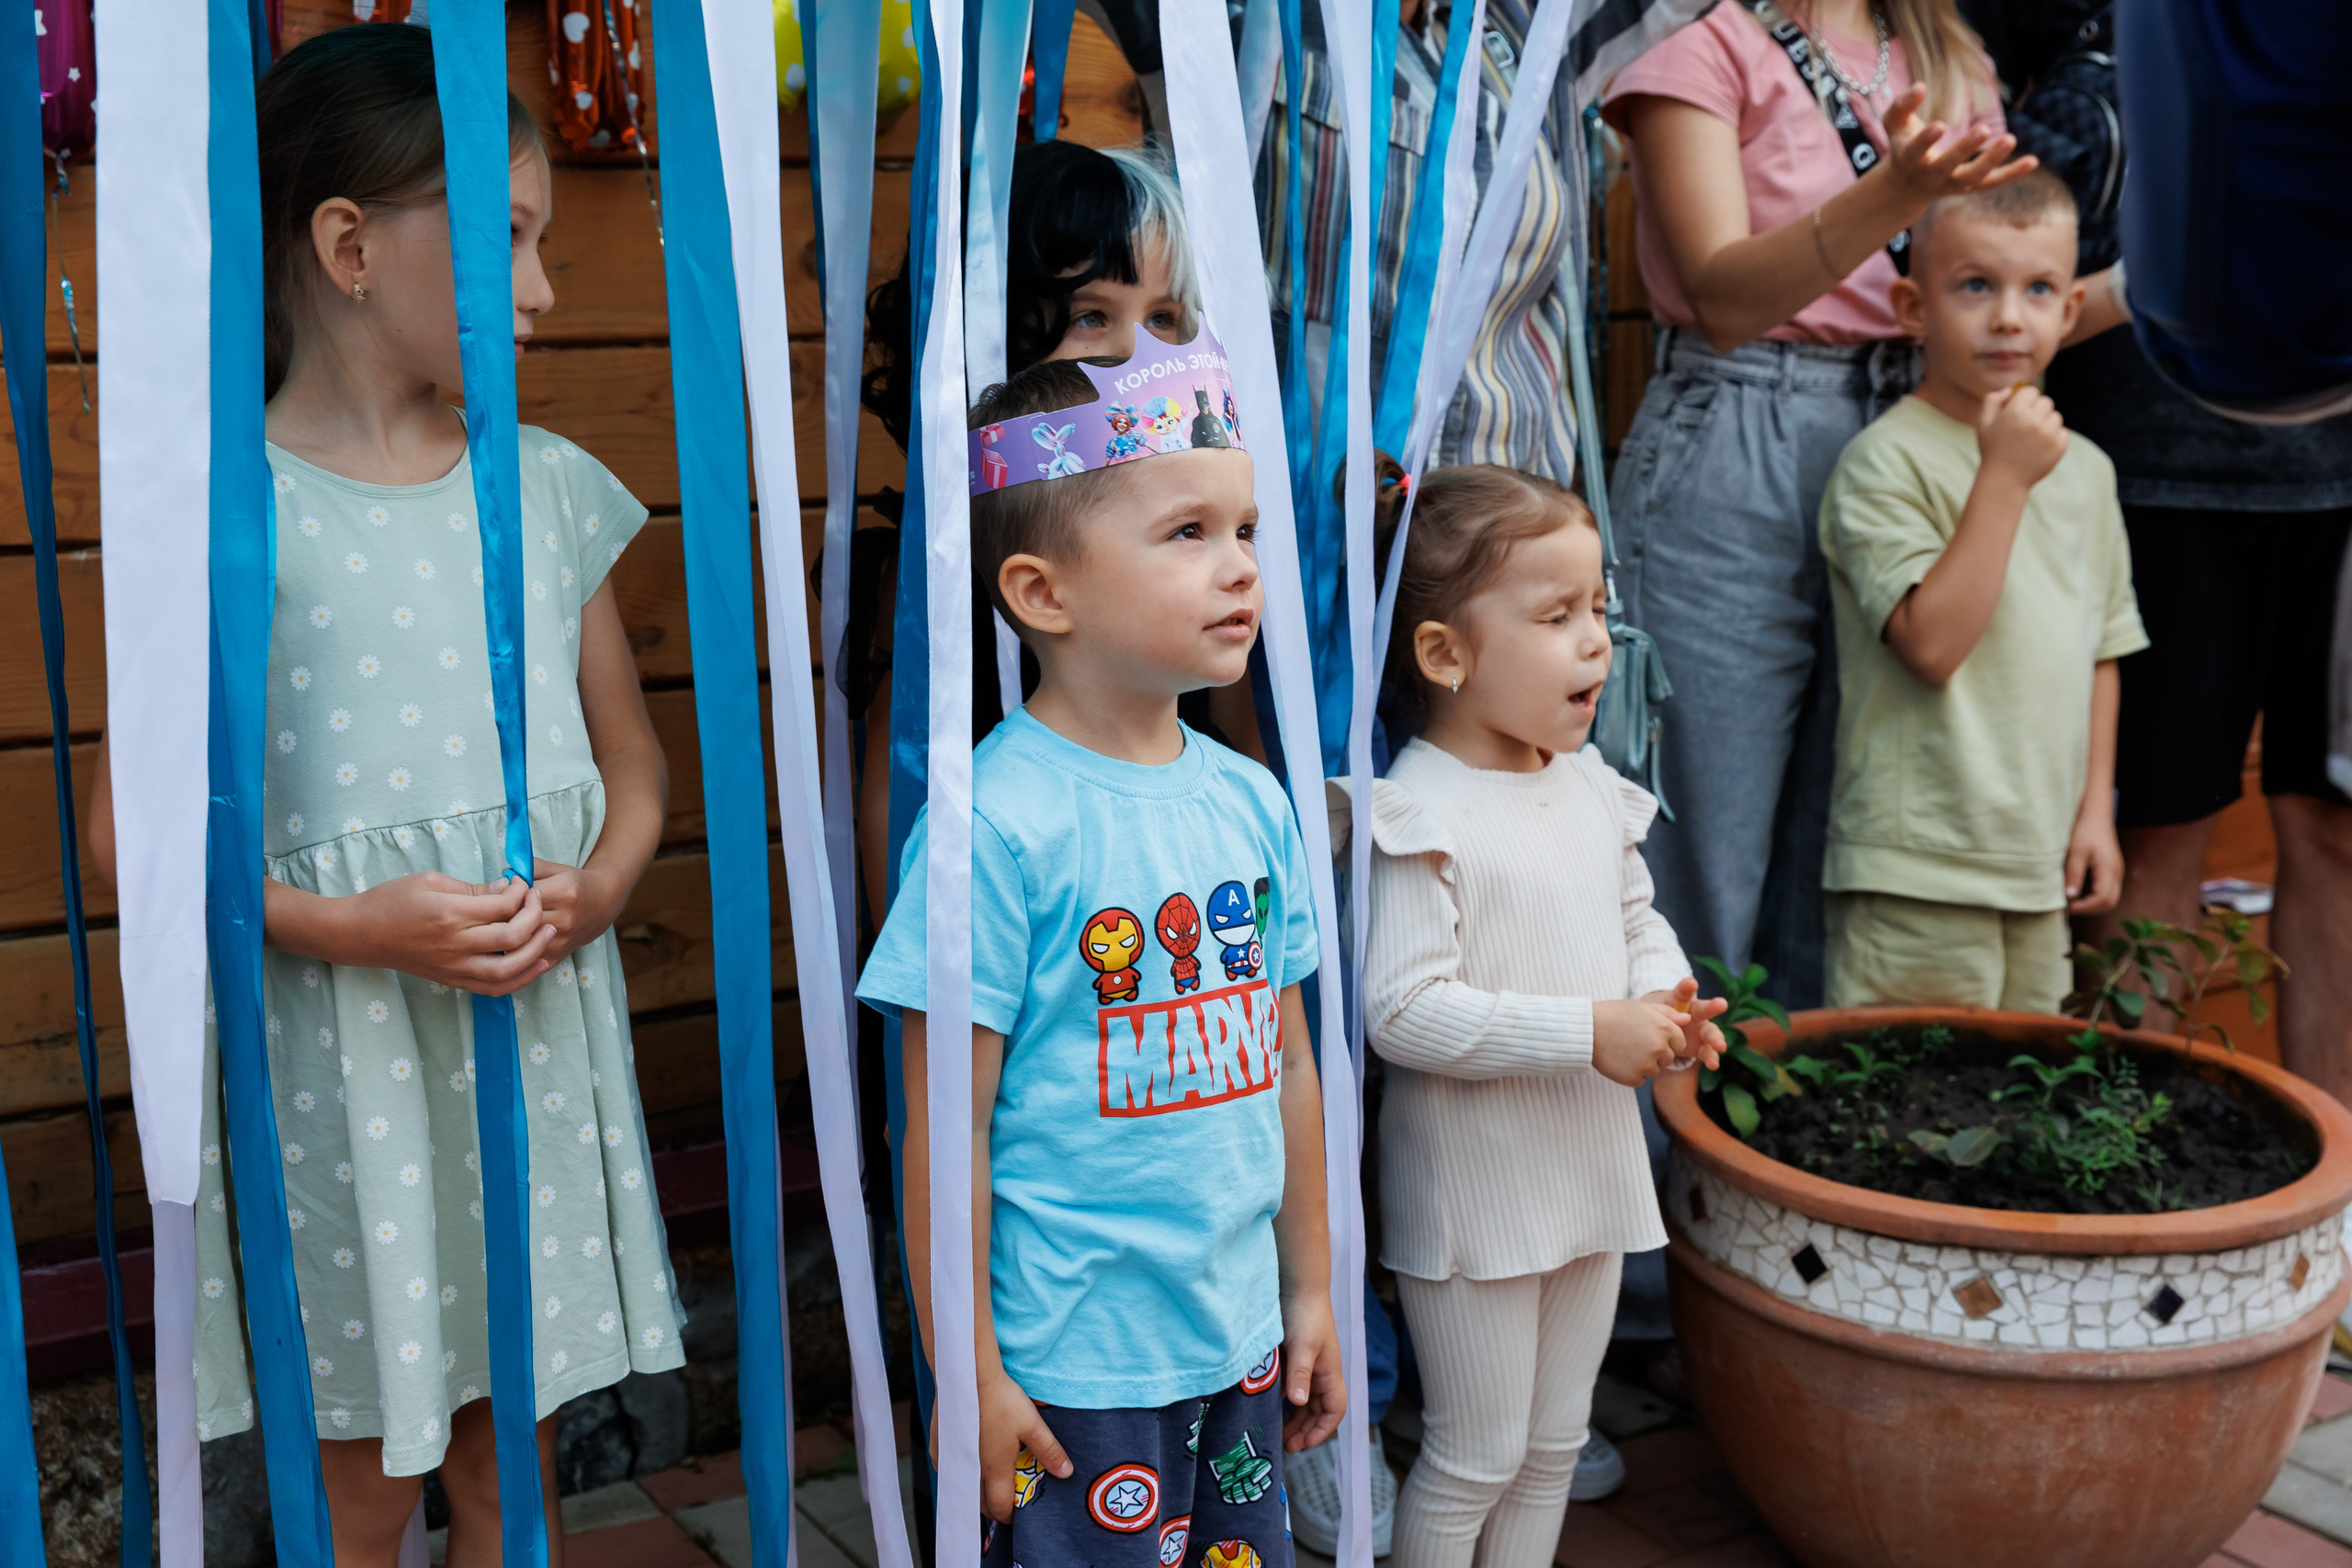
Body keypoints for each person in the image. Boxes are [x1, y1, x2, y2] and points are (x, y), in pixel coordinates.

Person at [82, 25, 681, 1567]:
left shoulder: (538, 486)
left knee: (516, 1458)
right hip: (341, 1081)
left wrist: (601, 886)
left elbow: (631, 772)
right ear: (349, 244)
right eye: (513, 238)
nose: (544, 289)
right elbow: (120, 838)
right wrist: (354, 923)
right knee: (357, 1479)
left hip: (528, 1043)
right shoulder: (227, 516)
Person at [855, 346, 1345, 1568]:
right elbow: (939, 1132)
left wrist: (1311, 1292)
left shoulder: (1254, 802)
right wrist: (967, 1370)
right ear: (1043, 591)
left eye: (1245, 525)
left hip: (1237, 1341)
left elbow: (1288, 1064)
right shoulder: (993, 827)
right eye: (1187, 530)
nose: (1241, 564)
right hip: (1073, 1371)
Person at [1600, 0, 2031, 1012]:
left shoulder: (1949, 48)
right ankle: (1669, 1158)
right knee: (1701, 843)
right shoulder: (1692, 35)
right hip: (1744, 428)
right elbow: (1725, 295)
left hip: (1922, 429)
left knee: (1849, 844)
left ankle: (1783, 1157)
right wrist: (1901, 190)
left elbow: (1997, 273)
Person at [1958, 0, 2352, 1106]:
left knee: (2332, 831)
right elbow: (1986, 266)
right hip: (2151, 487)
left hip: (2337, 490)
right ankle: (2141, 1167)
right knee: (2160, 831)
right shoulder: (2093, 55)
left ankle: (2336, 1211)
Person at [1348, 466, 1725, 1568]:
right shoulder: (1415, 813)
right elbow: (1402, 1013)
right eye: (1556, 617)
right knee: (1473, 1453)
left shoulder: (1587, 782)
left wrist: (1660, 998)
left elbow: (1633, 916)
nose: (1596, 643)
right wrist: (1588, 1032)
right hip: (1474, 1192)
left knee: (1556, 1444)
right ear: (1444, 656)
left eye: (1598, 608)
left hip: (1588, 1167)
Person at [1816, 174, 2143, 1008]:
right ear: (1912, 307)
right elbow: (1931, 644)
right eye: (1975, 286)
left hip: (2038, 864)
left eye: (2038, 289)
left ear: (2071, 312)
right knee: (1907, 1114)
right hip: (1918, 865)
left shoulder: (2090, 472)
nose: (2008, 316)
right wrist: (2002, 475)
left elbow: (2103, 649)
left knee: (2026, 1116)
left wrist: (2093, 815)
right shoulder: (1886, 462)